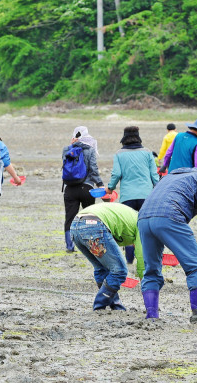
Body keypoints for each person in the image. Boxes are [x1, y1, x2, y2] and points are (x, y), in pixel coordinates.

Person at [137, 167, 197, 323]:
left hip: (143, 219)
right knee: (196, 266)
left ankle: (152, 316)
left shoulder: (169, 178)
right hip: (170, 216)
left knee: (151, 269)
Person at [70, 203, 145, 311]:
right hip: (94, 226)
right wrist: (145, 280)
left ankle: (116, 305)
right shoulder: (142, 226)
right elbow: (142, 257)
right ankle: (99, 305)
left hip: (75, 226)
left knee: (101, 268)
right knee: (120, 270)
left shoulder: (132, 218)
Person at [106, 126, 159, 263]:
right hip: (146, 196)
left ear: (124, 138)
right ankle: (145, 257)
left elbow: (117, 174)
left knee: (128, 228)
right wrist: (158, 188)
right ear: (138, 137)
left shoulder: (119, 154)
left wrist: (110, 188)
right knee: (145, 227)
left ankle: (129, 260)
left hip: (127, 197)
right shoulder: (147, 153)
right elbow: (154, 175)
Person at [63, 127, 104, 252]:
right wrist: (100, 184)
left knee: (70, 218)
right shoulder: (90, 149)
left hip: (70, 189)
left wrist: (72, 145)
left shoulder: (67, 149)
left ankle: (70, 246)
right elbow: (93, 169)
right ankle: (90, 245)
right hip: (87, 189)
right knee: (89, 218)